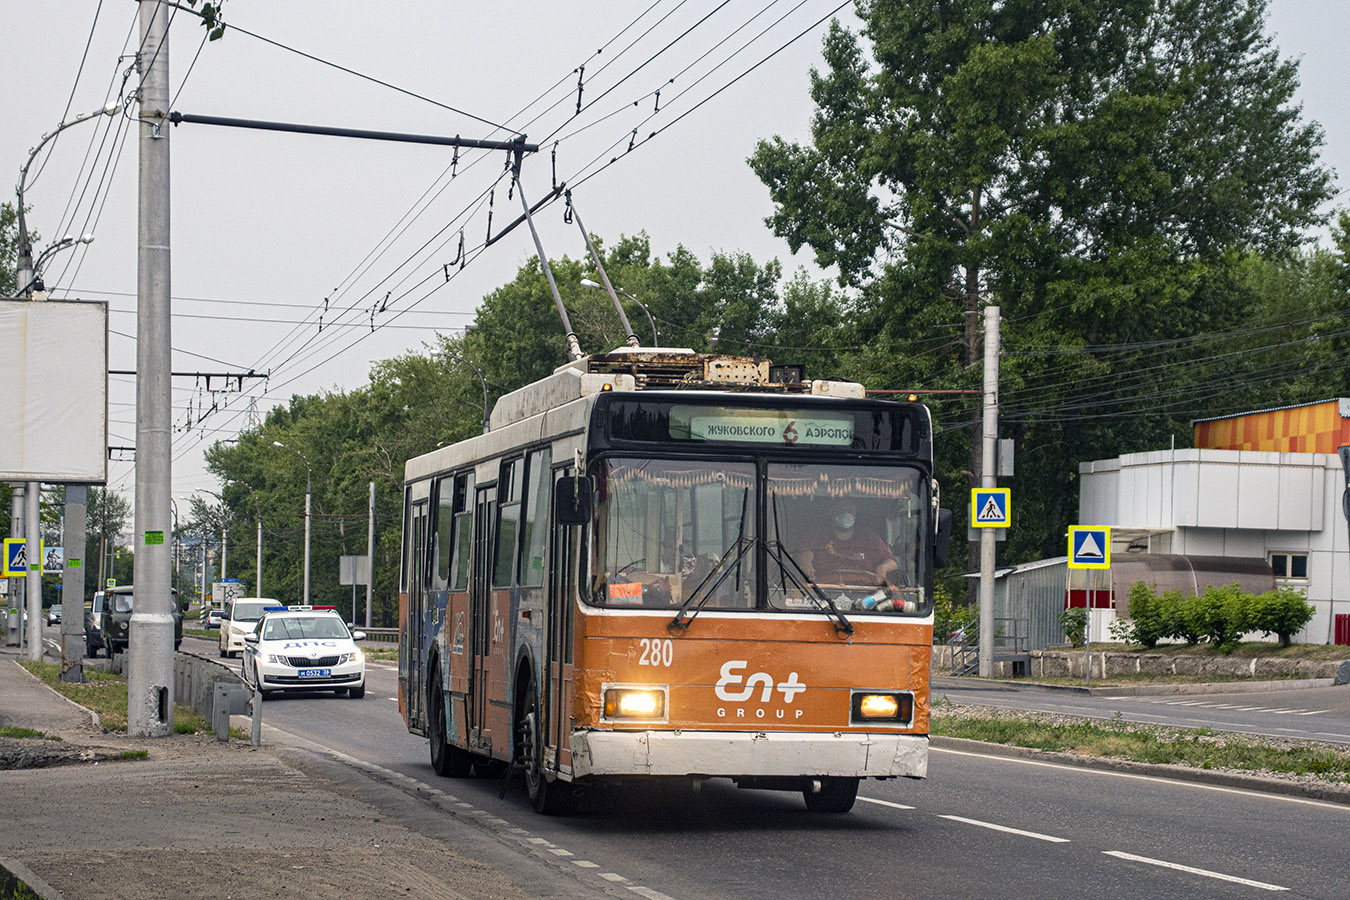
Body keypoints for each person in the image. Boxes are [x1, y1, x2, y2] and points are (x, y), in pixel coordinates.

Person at [800, 500, 897, 586]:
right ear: (832, 512)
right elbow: (805, 552)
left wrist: (882, 568)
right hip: (824, 590)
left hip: (864, 590)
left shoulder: (869, 537)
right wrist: (806, 563)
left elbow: (891, 561)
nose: (846, 514)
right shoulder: (817, 535)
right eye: (842, 510)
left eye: (850, 511)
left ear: (855, 513)